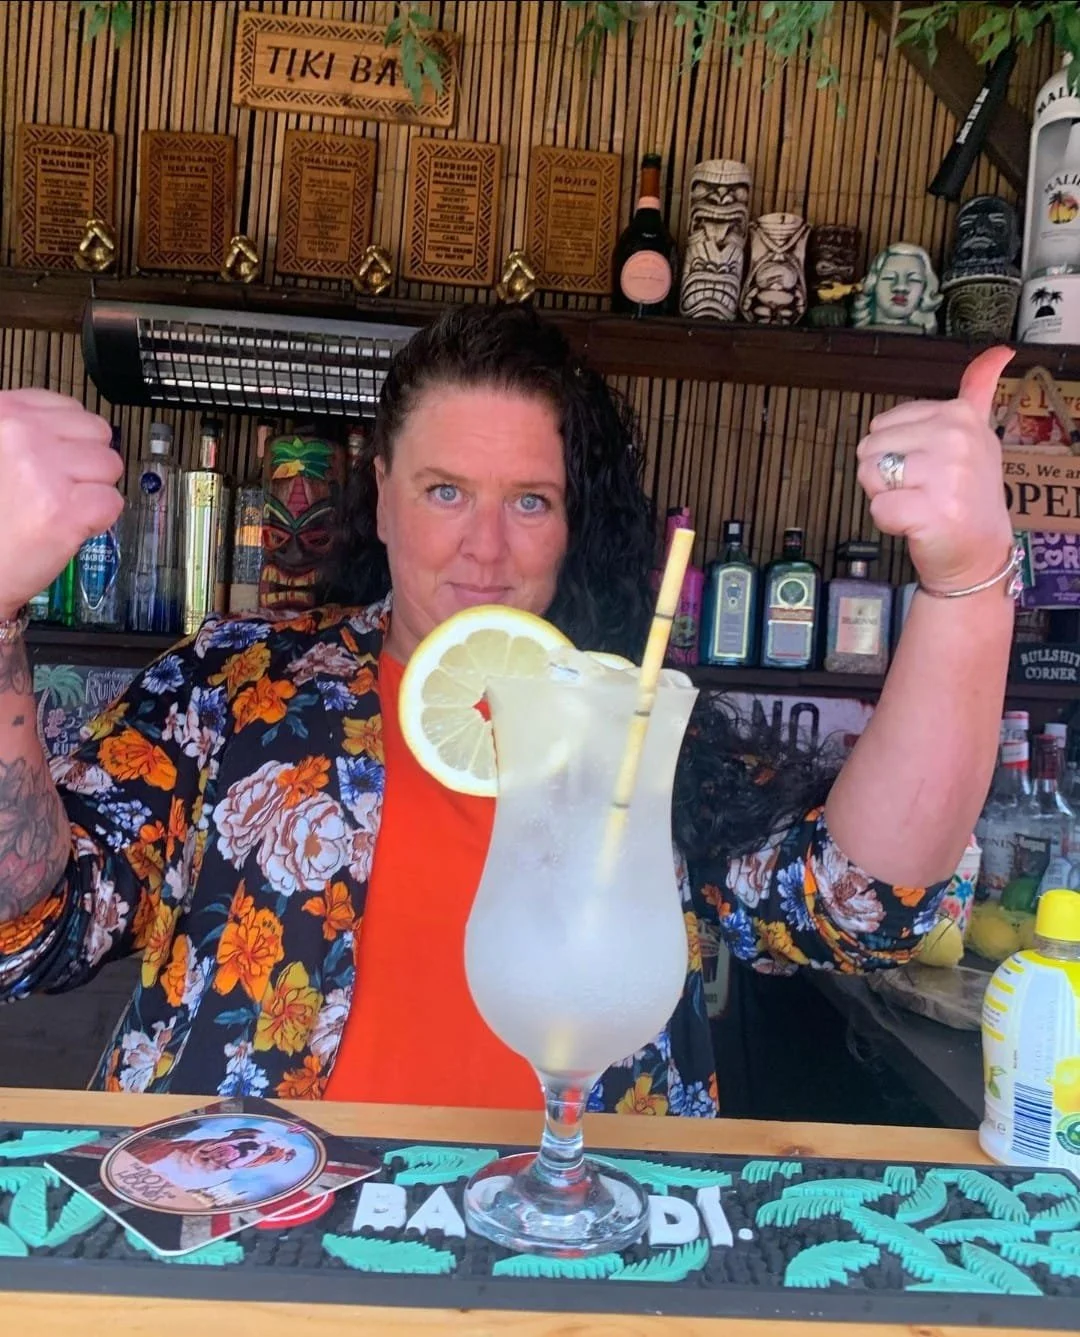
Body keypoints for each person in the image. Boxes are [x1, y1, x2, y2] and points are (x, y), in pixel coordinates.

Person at [0, 305, 1016, 1114]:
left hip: (577, 1263)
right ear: (382, 494)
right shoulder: (231, 685)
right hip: (238, 1243)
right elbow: (30, 927)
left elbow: (860, 902)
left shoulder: (626, 719)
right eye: (445, 491)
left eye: (530, 499)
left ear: (572, 521)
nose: (485, 548)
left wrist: (966, 584)